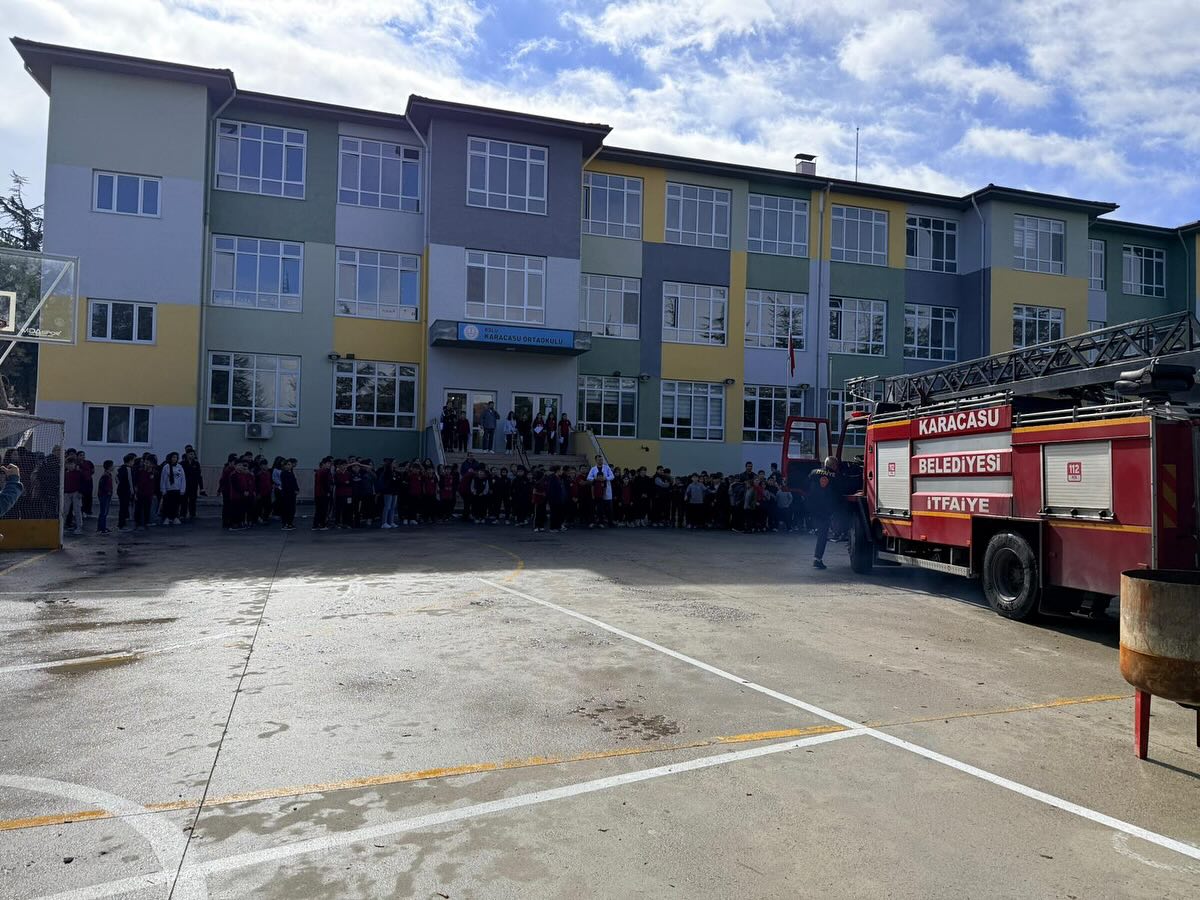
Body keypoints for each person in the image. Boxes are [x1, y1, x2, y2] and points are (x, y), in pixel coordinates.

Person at [806, 456, 840, 569]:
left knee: (820, 529)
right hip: (824, 509)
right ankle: (817, 559)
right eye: (836, 465)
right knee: (823, 534)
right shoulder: (835, 476)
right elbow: (840, 491)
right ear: (833, 465)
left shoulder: (813, 472)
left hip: (812, 507)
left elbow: (806, 485)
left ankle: (813, 528)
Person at [586, 454, 614, 528]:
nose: (601, 461)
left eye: (601, 459)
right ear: (596, 460)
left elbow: (612, 476)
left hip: (606, 490)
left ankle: (609, 522)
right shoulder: (593, 469)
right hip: (596, 492)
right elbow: (588, 477)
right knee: (595, 509)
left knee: (608, 508)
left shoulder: (607, 468)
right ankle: (593, 522)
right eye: (599, 460)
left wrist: (605, 478)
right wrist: (596, 479)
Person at [159, 452, 185, 525]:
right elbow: (163, 479)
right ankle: (167, 518)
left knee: (176, 504)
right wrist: (163, 489)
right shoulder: (166, 467)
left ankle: (175, 517)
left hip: (177, 489)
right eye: (173, 457)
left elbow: (183, 479)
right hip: (168, 489)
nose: (174, 459)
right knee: (167, 504)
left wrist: (182, 489)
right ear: (170, 458)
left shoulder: (180, 467)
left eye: (176, 457)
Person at [181, 449, 203, 521]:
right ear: (187, 455)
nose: (192, 455)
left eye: (193, 454)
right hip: (185, 484)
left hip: (194, 484)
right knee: (184, 500)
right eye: (190, 454)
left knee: (193, 499)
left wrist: (201, 487)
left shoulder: (196, 464)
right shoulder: (182, 464)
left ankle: (192, 514)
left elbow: (199, 475)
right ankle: (183, 514)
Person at [63, 457, 83, 535]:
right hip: (66, 493)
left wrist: (80, 492)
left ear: (75, 464)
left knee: (77, 510)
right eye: (68, 464)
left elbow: (82, 482)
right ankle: (62, 527)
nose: (70, 466)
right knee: (65, 510)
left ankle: (79, 527)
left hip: (76, 493)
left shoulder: (79, 473)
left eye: (71, 464)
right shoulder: (64, 473)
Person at [278, 459, 299, 530]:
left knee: (292, 509)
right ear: (285, 466)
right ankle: (285, 524)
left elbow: (294, 482)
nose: (289, 466)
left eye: (290, 465)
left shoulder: (291, 473)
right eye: (288, 465)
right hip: (287, 494)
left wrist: (297, 489)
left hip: (292, 494)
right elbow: (286, 484)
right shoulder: (284, 473)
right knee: (286, 509)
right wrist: (292, 490)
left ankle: (290, 523)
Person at [117, 453, 135, 531]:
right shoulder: (128, 469)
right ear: (130, 461)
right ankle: (121, 525)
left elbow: (117, 479)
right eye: (133, 460)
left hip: (121, 490)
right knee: (123, 508)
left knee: (123, 508)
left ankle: (122, 524)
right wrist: (132, 491)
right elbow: (130, 481)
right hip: (125, 491)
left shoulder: (120, 468)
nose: (133, 462)